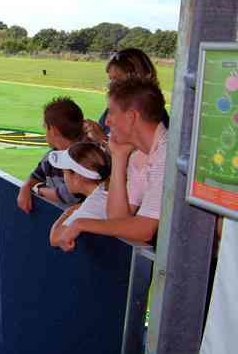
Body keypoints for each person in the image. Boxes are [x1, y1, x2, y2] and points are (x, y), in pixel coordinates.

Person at [58, 76, 167, 252]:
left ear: (131, 117)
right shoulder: (139, 156)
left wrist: (81, 223)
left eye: (112, 112)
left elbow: (144, 230)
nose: (107, 121)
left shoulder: (166, 153)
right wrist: (118, 157)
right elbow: (117, 218)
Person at [17, 97, 87, 213]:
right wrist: (25, 187)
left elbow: (69, 195)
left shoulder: (86, 157)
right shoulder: (51, 157)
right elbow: (35, 177)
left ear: (53, 130)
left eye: (45, 127)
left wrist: (38, 189)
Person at [48, 142, 112, 248]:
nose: (64, 178)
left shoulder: (93, 205)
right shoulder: (104, 190)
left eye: (65, 172)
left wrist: (68, 211)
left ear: (77, 177)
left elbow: (55, 238)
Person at [96, 48, 160, 137]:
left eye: (117, 79)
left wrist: (101, 139)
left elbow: (140, 149)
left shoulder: (152, 115)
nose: (111, 86)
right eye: (111, 79)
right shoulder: (115, 107)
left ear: (138, 78)